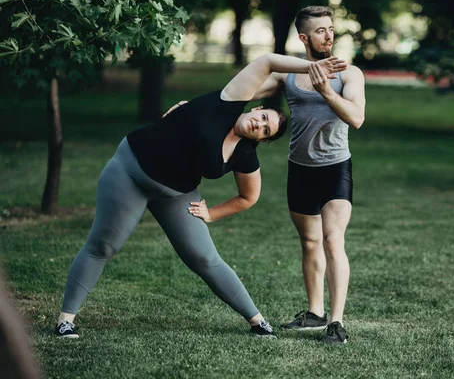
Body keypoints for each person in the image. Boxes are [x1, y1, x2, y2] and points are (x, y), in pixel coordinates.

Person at [54, 53, 348, 339]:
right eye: (262, 117)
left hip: (176, 193)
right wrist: (314, 67)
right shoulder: (228, 100)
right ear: (256, 108)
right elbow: (267, 62)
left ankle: (258, 322)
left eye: (265, 130)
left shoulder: (245, 154)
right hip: (131, 172)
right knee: (104, 245)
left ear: (263, 139)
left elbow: (249, 197)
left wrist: (211, 213)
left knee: (205, 258)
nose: (259, 124)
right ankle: (66, 320)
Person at [251, 6, 366, 344]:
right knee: (310, 241)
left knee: (332, 240)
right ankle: (314, 312)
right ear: (304, 38)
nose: (328, 35)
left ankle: (336, 322)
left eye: (331, 29)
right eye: (320, 31)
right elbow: (240, 92)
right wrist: (196, 106)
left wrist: (327, 90)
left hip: (335, 168)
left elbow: (356, 118)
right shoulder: (287, 75)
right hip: (299, 169)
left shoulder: (350, 73)